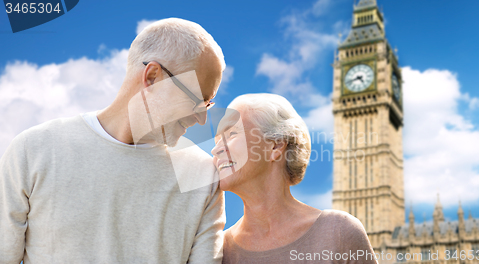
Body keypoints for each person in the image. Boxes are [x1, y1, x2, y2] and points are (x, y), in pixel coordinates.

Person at [0, 18, 226, 263]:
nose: (202, 119)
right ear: (152, 77)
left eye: (207, 105)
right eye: (195, 100)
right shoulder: (33, 150)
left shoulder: (204, 177)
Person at [211, 94, 377, 264]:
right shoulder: (218, 251)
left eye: (231, 134)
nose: (215, 150)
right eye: (216, 141)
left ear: (275, 146)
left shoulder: (339, 232)